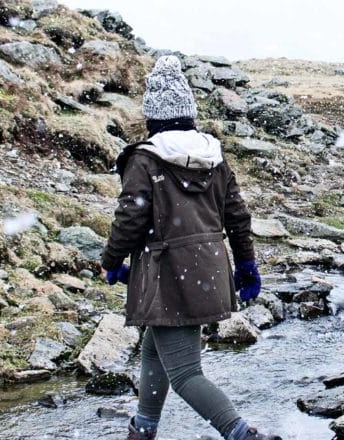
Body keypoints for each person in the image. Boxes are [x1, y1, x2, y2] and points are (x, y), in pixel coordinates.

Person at [101, 56, 280, 440]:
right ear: (189, 113)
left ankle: (242, 434)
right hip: (209, 270)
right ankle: (143, 429)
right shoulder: (214, 156)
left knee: (185, 374)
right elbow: (238, 216)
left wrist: (111, 260)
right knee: (155, 348)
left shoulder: (145, 159)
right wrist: (246, 265)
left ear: (152, 116)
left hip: (169, 274)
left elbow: (130, 218)